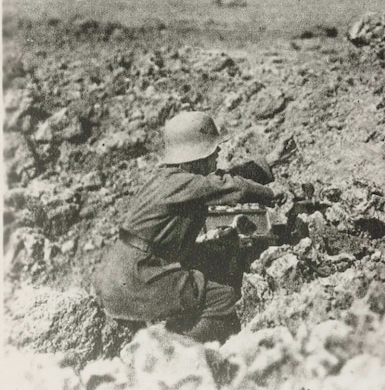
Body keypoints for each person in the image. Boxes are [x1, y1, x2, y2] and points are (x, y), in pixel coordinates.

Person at [93, 111, 295, 342]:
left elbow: (219, 179)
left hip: (123, 273)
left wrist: (268, 162)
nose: (217, 152)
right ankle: (179, 355)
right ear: (196, 156)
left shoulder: (171, 178)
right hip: (137, 278)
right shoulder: (182, 183)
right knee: (223, 295)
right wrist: (270, 193)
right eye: (211, 149)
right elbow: (224, 187)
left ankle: (173, 335)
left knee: (209, 261)